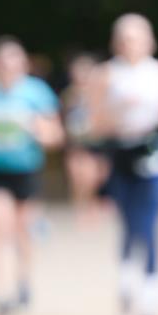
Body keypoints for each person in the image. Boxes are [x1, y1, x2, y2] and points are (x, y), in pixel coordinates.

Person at [86, 14, 158, 315]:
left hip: (156, 150)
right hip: (122, 154)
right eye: (126, 38)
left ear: (150, 41)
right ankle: (127, 275)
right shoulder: (105, 75)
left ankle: (152, 294)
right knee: (130, 221)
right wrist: (121, 114)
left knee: (151, 218)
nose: (132, 44)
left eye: (138, 37)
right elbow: (93, 123)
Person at [0, 36, 64, 315]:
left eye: (14, 62)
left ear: (23, 64)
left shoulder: (36, 92)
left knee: (23, 232)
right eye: (2, 62)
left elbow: (56, 135)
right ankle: (1, 294)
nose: (7, 67)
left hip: (27, 171)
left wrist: (37, 130)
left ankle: (23, 280)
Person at [61, 52, 111, 224]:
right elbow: (63, 118)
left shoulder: (101, 93)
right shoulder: (68, 95)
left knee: (98, 176)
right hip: (77, 143)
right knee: (80, 177)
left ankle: (93, 204)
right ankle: (81, 208)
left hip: (97, 141)